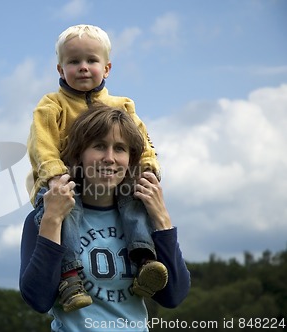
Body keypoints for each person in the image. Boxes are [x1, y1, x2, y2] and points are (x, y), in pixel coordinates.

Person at [27, 24, 166, 312]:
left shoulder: (122, 106)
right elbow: (42, 146)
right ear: (59, 69)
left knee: (135, 200)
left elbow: (143, 143)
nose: (83, 68)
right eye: (73, 62)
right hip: (65, 182)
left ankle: (144, 260)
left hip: (112, 185)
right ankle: (69, 276)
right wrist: (54, 176)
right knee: (68, 210)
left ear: (107, 68)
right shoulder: (52, 105)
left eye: (91, 61)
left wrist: (149, 168)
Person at [20, 104, 190, 331]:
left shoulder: (141, 220)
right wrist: (52, 219)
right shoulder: (45, 219)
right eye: (99, 146)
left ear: (131, 160)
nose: (109, 158)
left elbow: (173, 297)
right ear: (79, 154)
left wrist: (162, 219)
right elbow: (38, 299)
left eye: (120, 149)